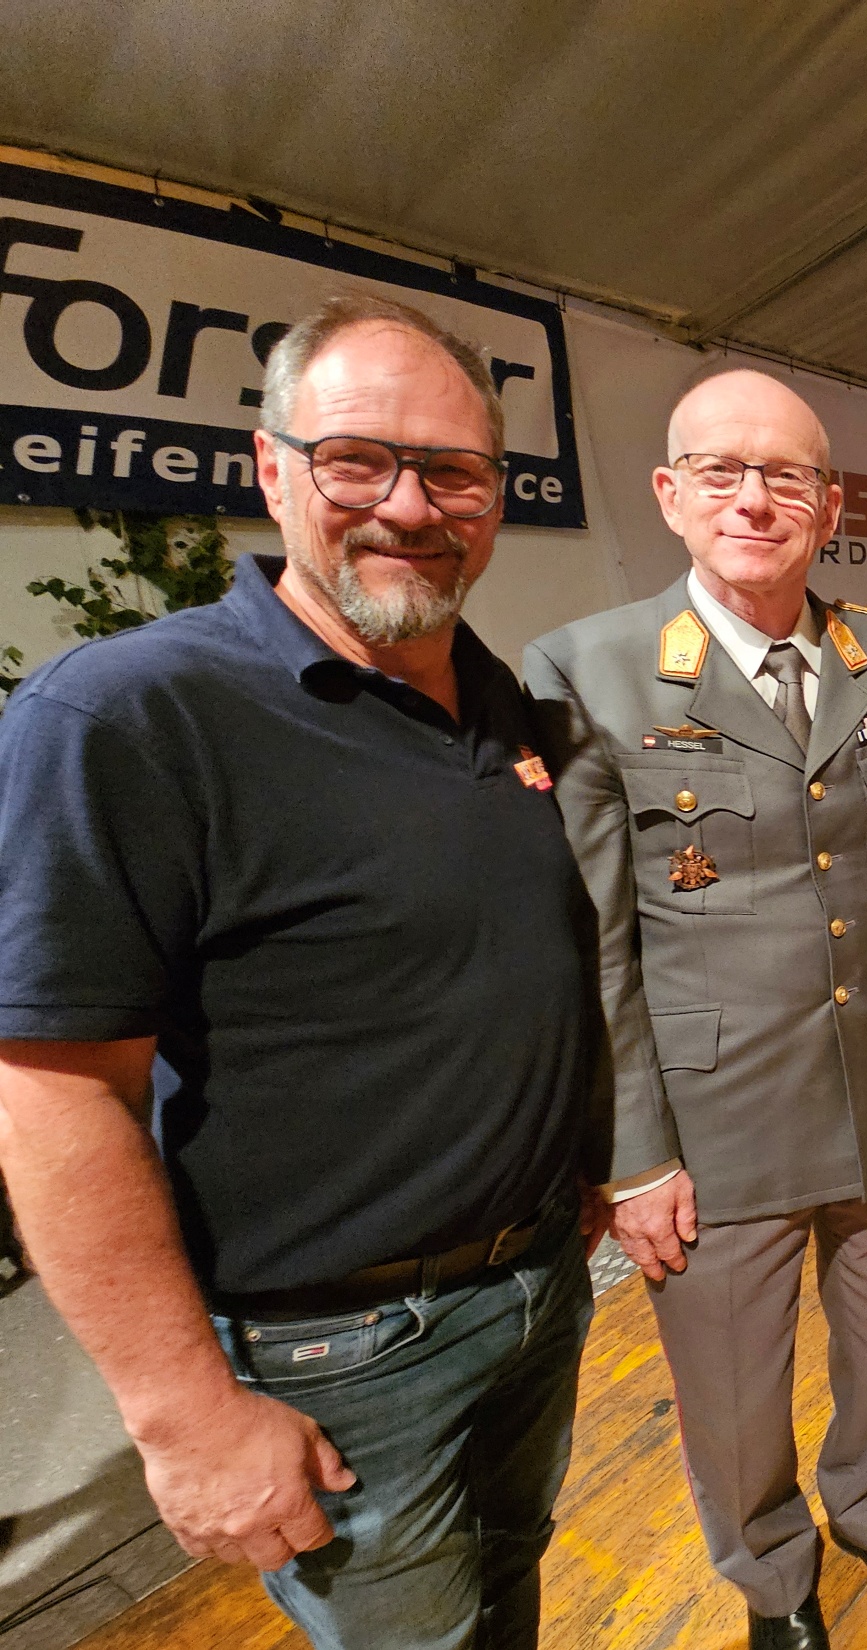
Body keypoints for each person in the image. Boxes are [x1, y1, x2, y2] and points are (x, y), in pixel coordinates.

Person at [0, 294, 603, 1649]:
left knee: (511, 1591)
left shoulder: (495, 701)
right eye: (357, 461)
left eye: (451, 471)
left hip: (537, 1286)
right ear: (271, 470)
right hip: (341, 1358)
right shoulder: (129, 714)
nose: (410, 505)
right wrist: (182, 1416)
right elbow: (51, 1093)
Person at [523, 370, 867, 1650]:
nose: (754, 499)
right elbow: (592, 946)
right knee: (731, 1392)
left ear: (831, 505)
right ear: (671, 494)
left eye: (786, 476)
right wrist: (631, 1156)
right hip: (713, 1123)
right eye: (722, 471)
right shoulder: (589, 670)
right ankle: (773, 1577)